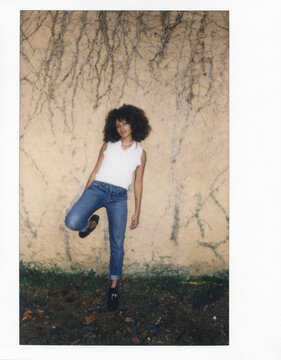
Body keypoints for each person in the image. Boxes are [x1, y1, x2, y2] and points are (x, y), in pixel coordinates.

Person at [65, 104, 151, 311]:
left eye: (126, 122)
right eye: (118, 124)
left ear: (134, 124)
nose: (122, 127)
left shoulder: (140, 153)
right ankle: (90, 223)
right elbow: (95, 172)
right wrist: (86, 195)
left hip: (119, 197)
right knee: (72, 221)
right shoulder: (108, 145)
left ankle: (114, 286)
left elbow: (138, 183)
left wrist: (137, 210)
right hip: (98, 189)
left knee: (117, 243)